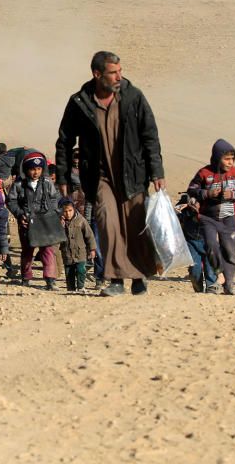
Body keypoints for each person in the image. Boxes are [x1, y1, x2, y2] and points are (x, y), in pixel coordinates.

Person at [55, 51, 166, 297]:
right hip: (99, 175)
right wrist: (62, 176)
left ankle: (138, 276)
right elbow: (64, 140)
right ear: (97, 74)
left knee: (135, 224)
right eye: (113, 72)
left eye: (120, 71)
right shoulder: (80, 102)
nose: (119, 76)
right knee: (107, 222)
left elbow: (150, 135)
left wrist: (157, 171)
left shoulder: (133, 96)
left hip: (132, 173)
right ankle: (116, 279)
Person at [187, 139, 235, 295]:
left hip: (229, 218)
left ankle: (228, 285)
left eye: (232, 159)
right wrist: (207, 193)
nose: (230, 162)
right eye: (226, 159)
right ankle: (218, 273)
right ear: (217, 157)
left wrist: (234, 194)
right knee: (210, 244)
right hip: (208, 218)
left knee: (229, 252)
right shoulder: (204, 173)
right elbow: (192, 189)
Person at [7, 151, 61, 290]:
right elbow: (11, 201)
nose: (36, 172)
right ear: (26, 169)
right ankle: (26, 277)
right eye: (32, 169)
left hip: (45, 221)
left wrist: (53, 213)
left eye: (38, 169)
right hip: (27, 222)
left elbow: (54, 198)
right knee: (27, 250)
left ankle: (50, 279)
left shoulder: (47, 182)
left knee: (47, 250)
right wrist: (20, 215)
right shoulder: (19, 183)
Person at [175, 195, 218, 293]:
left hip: (209, 241)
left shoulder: (212, 200)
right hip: (191, 241)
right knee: (195, 271)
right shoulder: (186, 200)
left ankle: (211, 294)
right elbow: (175, 215)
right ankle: (198, 293)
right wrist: (189, 209)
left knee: (210, 272)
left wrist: (200, 212)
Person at [59, 197, 97, 294]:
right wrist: (60, 227)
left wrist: (92, 249)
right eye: (65, 211)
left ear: (74, 209)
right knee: (69, 272)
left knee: (81, 270)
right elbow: (55, 236)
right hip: (67, 252)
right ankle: (71, 289)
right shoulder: (59, 222)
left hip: (80, 252)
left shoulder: (81, 220)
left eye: (70, 210)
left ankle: (81, 286)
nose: (68, 213)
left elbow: (89, 235)